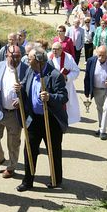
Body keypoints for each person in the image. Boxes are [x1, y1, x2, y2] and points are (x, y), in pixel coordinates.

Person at [16, 46, 68, 192]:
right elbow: (25, 85)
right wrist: (19, 88)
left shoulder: (55, 75)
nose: (27, 60)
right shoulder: (30, 71)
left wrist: (50, 97)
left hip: (51, 119)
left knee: (54, 151)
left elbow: (64, 96)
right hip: (34, 119)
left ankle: (55, 179)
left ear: (39, 61)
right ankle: (27, 181)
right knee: (29, 150)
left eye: (30, 58)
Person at [0, 45, 29, 179]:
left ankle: (11, 167)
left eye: (18, 57)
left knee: (13, 143)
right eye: (12, 57)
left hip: (15, 114)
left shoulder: (27, 70)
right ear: (6, 56)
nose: (15, 60)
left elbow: (32, 91)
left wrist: (22, 99)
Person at [84, 45, 107, 140]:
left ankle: (103, 131)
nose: (100, 58)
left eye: (103, 55)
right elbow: (87, 77)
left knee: (106, 108)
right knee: (100, 108)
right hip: (96, 89)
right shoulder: (91, 61)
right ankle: (101, 127)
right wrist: (87, 91)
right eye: (99, 55)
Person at [48, 41, 81, 126]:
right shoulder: (49, 56)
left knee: (64, 104)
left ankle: (64, 122)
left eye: (56, 49)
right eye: (53, 49)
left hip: (65, 86)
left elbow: (76, 71)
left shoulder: (68, 58)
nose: (54, 51)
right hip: (52, 86)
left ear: (61, 49)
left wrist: (67, 77)